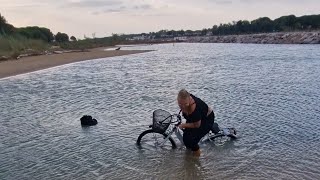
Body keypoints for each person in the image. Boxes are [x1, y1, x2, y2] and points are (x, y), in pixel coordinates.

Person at [177, 89, 215, 156]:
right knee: (186, 138)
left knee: (193, 141)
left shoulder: (194, 109)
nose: (182, 106)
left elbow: (197, 125)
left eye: (185, 104)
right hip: (196, 118)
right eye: (180, 104)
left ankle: (195, 160)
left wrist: (183, 125)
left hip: (206, 119)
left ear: (189, 99)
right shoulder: (186, 99)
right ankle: (188, 155)